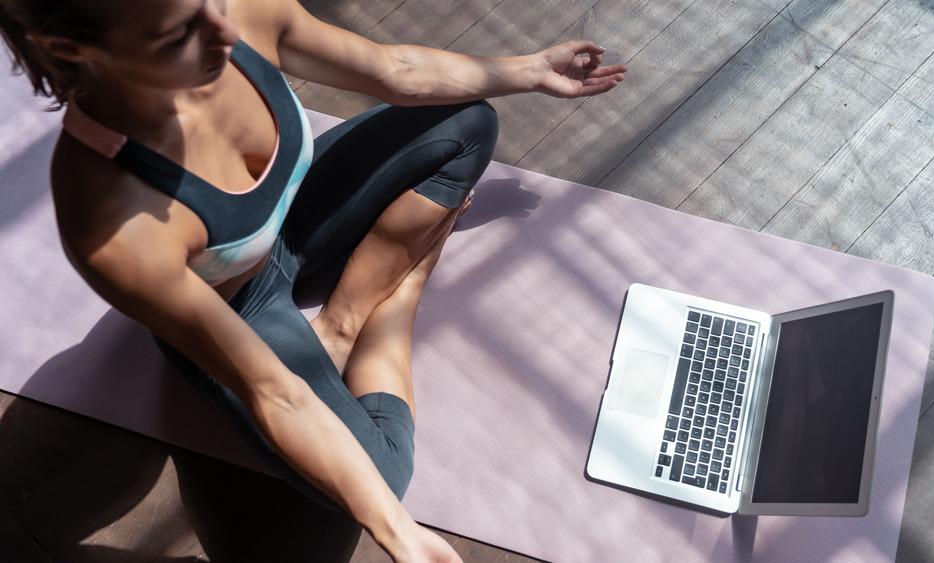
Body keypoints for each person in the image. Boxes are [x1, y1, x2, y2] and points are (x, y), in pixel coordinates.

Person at [0, 0, 626, 560]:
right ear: (70, 50)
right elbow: (277, 393)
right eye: (178, 35)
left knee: (467, 122)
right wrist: (398, 531)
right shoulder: (112, 223)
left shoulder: (231, 14)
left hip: (288, 222)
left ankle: (344, 321)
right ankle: (398, 296)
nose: (225, 30)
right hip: (233, 308)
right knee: (378, 482)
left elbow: (396, 72)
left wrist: (531, 69)